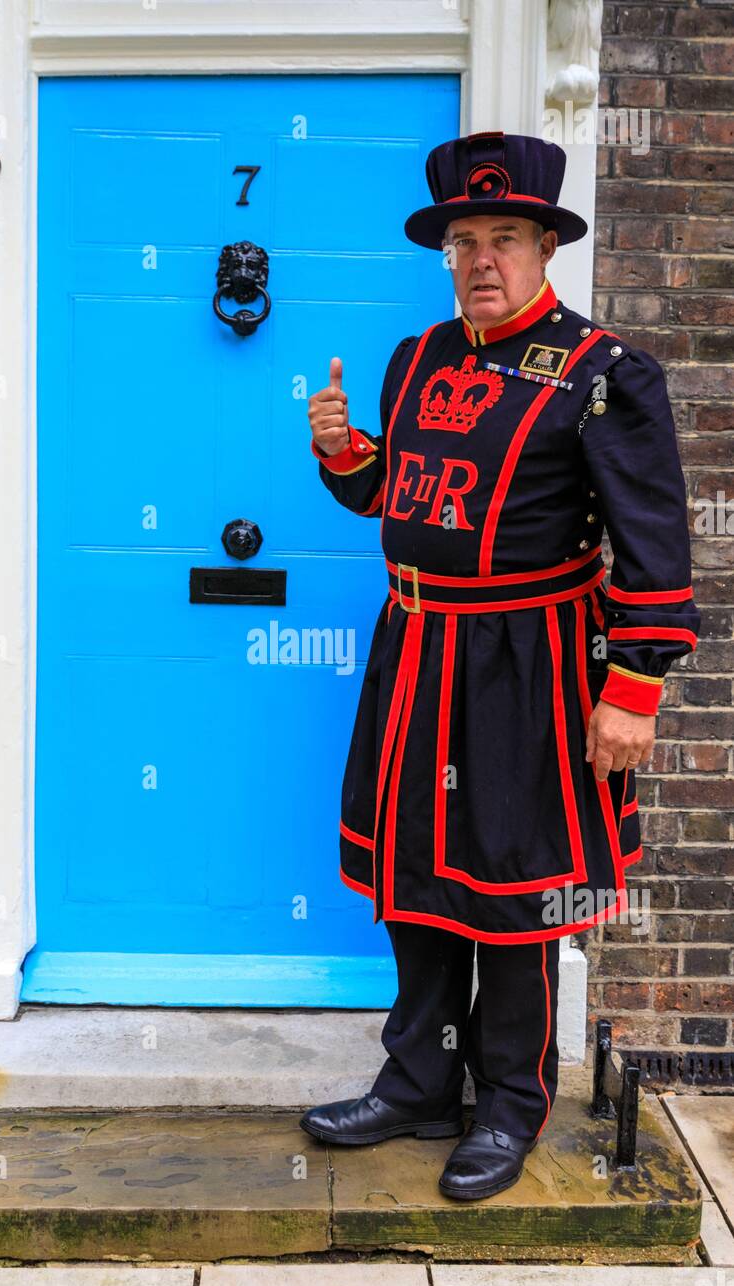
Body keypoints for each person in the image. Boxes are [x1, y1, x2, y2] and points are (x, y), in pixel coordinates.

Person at [299, 131, 700, 1201]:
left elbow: (653, 542)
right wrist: (347, 454)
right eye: (462, 241)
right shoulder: (418, 355)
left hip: (528, 664)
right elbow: (405, 496)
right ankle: (418, 1080)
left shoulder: (605, 373)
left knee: (513, 885)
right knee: (417, 880)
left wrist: (634, 686)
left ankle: (510, 1100)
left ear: (542, 248)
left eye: (504, 238)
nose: (480, 259)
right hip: (416, 651)